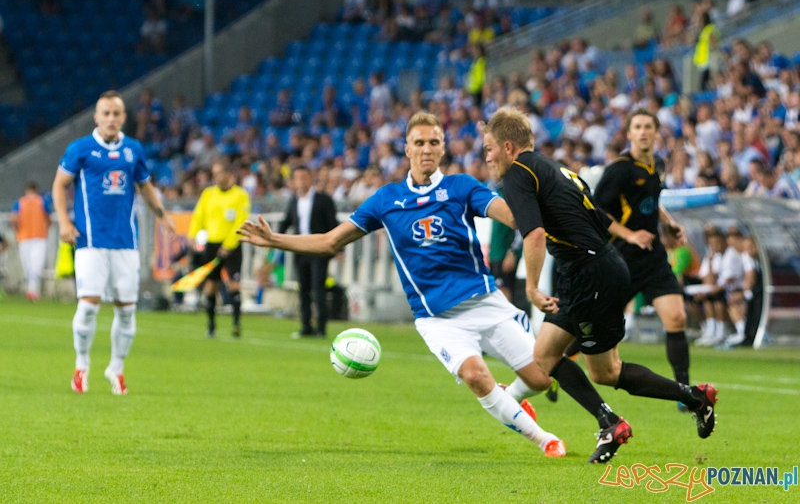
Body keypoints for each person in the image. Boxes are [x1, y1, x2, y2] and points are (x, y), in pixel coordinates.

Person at [239, 112, 567, 458]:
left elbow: (515, 217)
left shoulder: (462, 186)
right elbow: (329, 242)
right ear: (407, 149)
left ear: (442, 149)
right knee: (474, 375)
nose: (427, 149)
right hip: (436, 317)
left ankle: (510, 398)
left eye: (434, 143)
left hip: (484, 301)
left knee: (541, 378)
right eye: (419, 143)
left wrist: (534, 185)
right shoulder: (386, 200)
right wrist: (275, 240)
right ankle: (547, 440)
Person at [482, 107, 718, 463]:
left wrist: (530, 288)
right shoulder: (557, 170)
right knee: (547, 356)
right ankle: (648, 410)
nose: (486, 157)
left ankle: (658, 408)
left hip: (589, 272)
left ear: (508, 146)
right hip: (596, 268)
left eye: (489, 148)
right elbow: (593, 217)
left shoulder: (518, 173)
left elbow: (533, 234)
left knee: (603, 371)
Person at [52, 90, 176, 395]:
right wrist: (65, 222)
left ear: (123, 118)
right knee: (89, 306)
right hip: (90, 241)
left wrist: (162, 215)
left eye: (116, 113)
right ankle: (81, 366)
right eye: (105, 113)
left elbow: (144, 187)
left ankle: (116, 369)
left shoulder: (133, 149)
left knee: (126, 311)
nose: (110, 118)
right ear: (96, 117)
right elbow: (59, 184)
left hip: (125, 243)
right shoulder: (80, 148)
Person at [592, 110, 693, 410]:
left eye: (649, 126)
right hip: (620, 260)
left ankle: (684, 391)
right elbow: (598, 212)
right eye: (637, 126)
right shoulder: (619, 170)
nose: (644, 131)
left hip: (653, 259)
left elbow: (652, 202)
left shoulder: (656, 164)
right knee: (595, 325)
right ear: (629, 134)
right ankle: (558, 363)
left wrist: (668, 223)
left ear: (656, 131)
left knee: (677, 317)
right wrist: (630, 235)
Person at [187, 158, 251, 338]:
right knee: (211, 285)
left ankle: (236, 323)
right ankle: (211, 325)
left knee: (234, 284)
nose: (215, 176)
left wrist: (229, 245)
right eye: (213, 173)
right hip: (212, 244)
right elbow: (198, 215)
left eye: (218, 173)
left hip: (232, 245)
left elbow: (241, 221)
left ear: (229, 174)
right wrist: (192, 235)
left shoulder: (241, 195)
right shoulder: (208, 193)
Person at [278, 166, 339, 339]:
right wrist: (272, 239)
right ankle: (306, 325)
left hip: (319, 249)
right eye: (298, 177)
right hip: (300, 250)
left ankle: (321, 327)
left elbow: (333, 224)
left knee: (318, 288)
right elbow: (286, 222)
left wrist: (337, 248)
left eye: (304, 177)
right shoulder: (294, 201)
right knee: (303, 288)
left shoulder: (323, 200)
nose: (301, 181)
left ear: (311, 178)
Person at [10, 181, 53, 300]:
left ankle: (31, 290)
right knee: (37, 264)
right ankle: (32, 290)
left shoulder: (19, 202)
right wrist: (45, 229)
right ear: (37, 190)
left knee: (27, 265)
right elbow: (49, 219)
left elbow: (13, 220)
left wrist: (17, 230)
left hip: (24, 237)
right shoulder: (42, 201)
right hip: (39, 237)